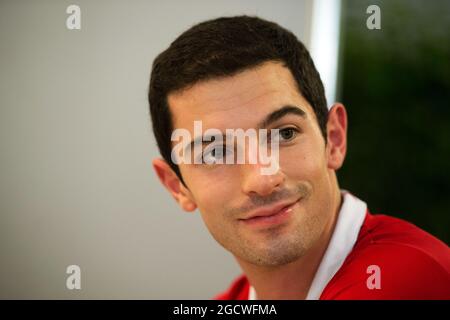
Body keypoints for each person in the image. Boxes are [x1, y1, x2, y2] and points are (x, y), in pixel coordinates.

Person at [147, 16, 450, 299]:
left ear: (333, 138)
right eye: (215, 152)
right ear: (177, 187)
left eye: (284, 134)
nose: (262, 179)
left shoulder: (408, 280)